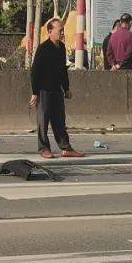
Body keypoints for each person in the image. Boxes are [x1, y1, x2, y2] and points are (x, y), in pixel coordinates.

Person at [29, 19, 84, 159]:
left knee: (59, 121)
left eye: (62, 30)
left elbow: (62, 70)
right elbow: (35, 71)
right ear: (50, 32)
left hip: (57, 90)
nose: (62, 33)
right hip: (44, 90)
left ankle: (66, 147)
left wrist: (66, 88)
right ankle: (44, 148)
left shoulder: (61, 48)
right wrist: (35, 93)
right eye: (59, 30)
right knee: (43, 121)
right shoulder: (43, 48)